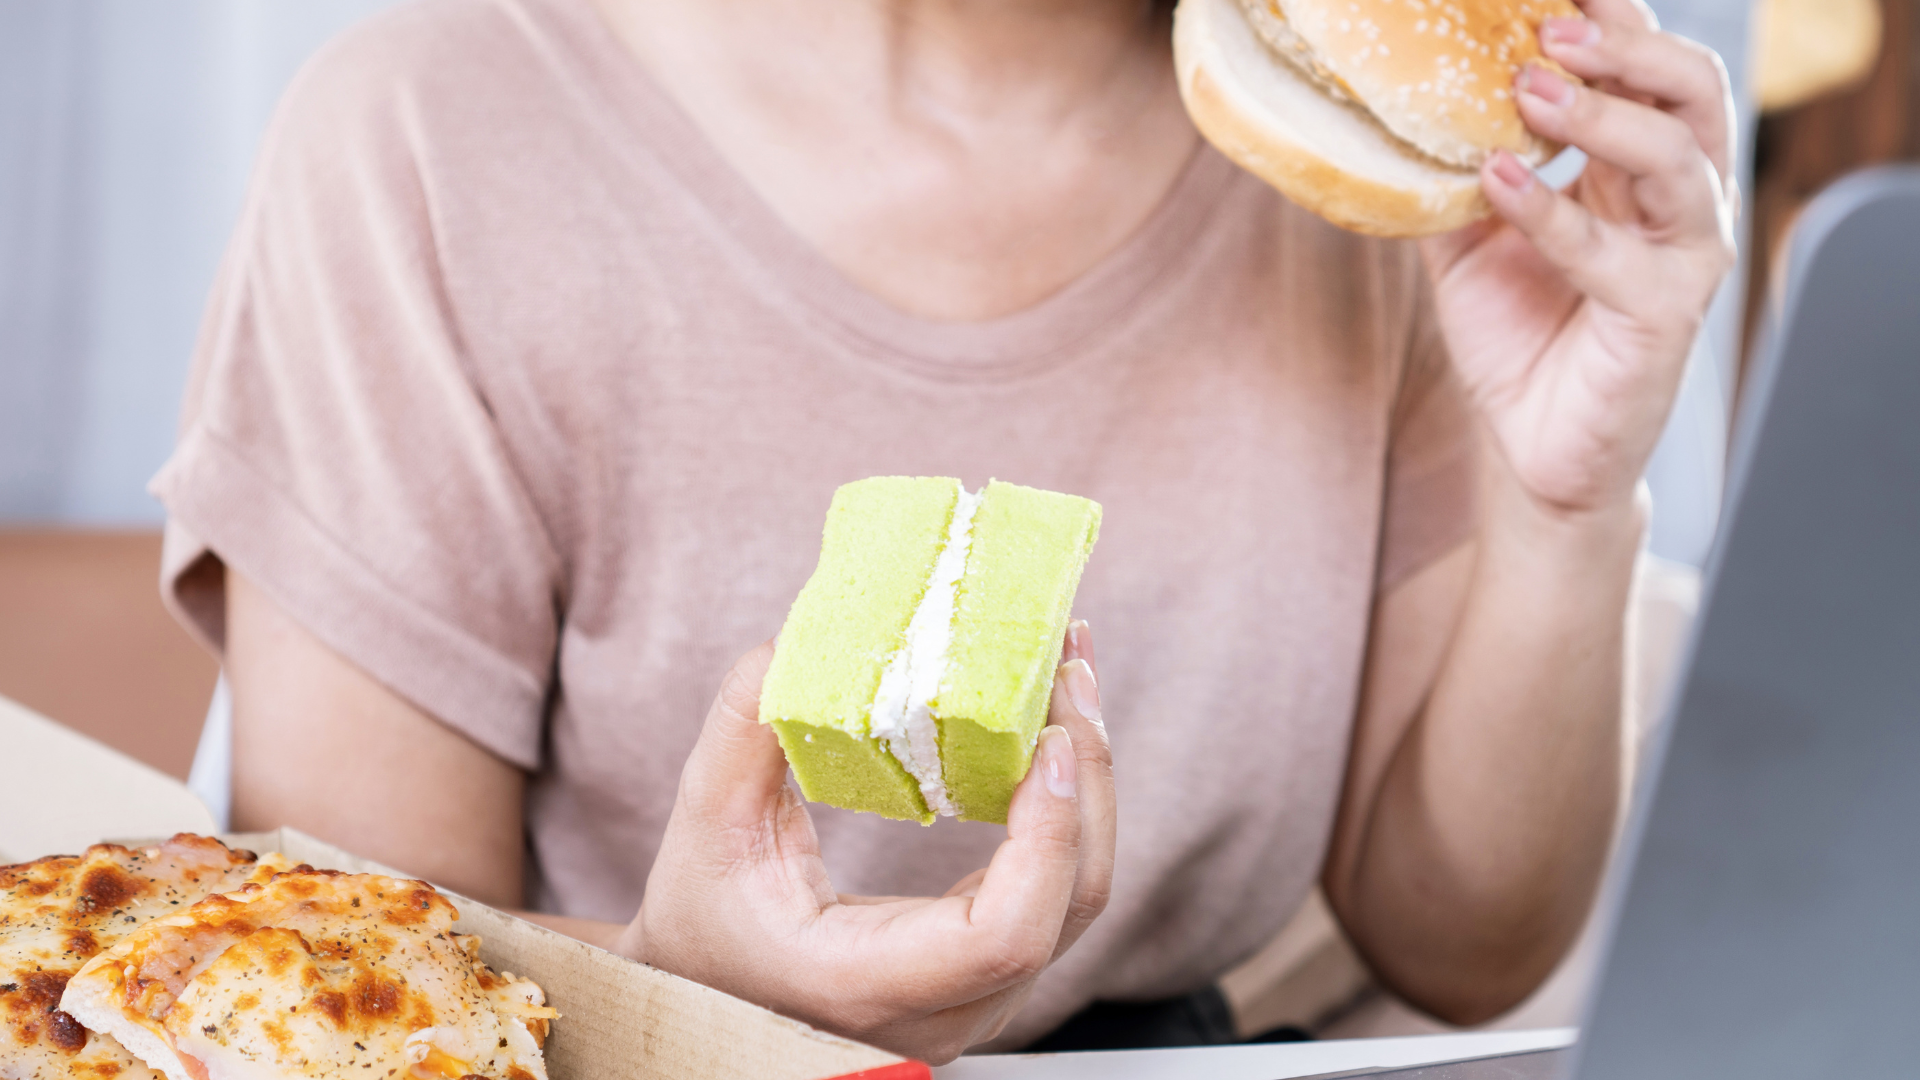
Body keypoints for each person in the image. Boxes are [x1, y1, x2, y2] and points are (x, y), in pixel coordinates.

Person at [152, 0, 1736, 1064]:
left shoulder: (1379, 175)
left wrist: (1564, 498)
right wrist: (688, 984)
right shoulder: (429, 136)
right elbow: (336, 973)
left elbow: (1465, 947)